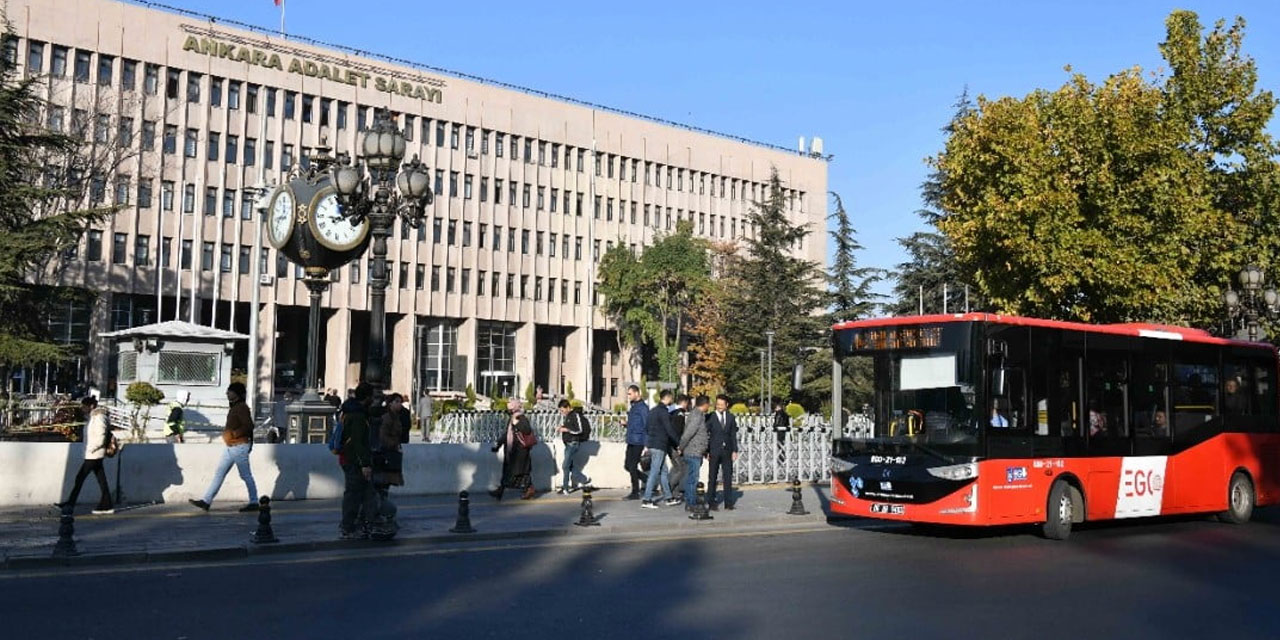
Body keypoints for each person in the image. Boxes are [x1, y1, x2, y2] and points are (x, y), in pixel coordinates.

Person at [189, 382, 259, 513]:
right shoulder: (235, 407)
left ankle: (254, 501)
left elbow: (249, 426)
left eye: (230, 391)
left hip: (239, 446)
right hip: (231, 446)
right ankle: (206, 501)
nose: (227, 393)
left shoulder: (241, 407)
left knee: (245, 475)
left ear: (237, 394)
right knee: (219, 474)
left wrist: (234, 434)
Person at [56, 396, 122, 515]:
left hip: (94, 454)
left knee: (80, 478)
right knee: (101, 480)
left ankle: (70, 505)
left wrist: (91, 449)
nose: (83, 408)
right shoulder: (92, 418)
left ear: (91, 406)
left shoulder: (99, 418)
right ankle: (107, 504)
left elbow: (101, 436)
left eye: (84, 406)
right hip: (93, 453)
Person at [338, 384, 377, 539]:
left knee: (367, 493)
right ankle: (348, 527)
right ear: (366, 397)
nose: (373, 400)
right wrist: (364, 464)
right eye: (372, 396)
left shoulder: (351, 412)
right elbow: (358, 442)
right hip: (353, 461)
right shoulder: (358, 415)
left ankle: (366, 523)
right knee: (354, 495)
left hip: (351, 459)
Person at [490, 399, 536, 500]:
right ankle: (501, 490)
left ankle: (529, 489)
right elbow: (507, 434)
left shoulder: (521, 417)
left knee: (521, 472)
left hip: (520, 451)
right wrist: (498, 445)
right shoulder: (512, 418)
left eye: (511, 409)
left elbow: (527, 430)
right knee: (509, 471)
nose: (509, 411)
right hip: (512, 451)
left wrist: (516, 423)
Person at [641, 390, 680, 509]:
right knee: (654, 472)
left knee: (663, 471)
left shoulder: (652, 411)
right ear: (668, 398)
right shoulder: (664, 412)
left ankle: (668, 497)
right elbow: (669, 430)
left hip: (653, 444)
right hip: (660, 445)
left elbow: (646, 427)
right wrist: (678, 443)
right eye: (671, 398)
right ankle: (647, 499)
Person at [706, 394, 740, 510]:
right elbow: (706, 434)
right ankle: (711, 501)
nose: (719, 406)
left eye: (722, 404)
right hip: (714, 451)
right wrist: (706, 451)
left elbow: (733, 435)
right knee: (712, 477)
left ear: (727, 405)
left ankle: (729, 502)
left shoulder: (730, 417)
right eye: (718, 404)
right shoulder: (710, 417)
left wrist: (735, 450)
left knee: (728, 477)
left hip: (727, 451)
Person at [680, 395, 710, 512]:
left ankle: (690, 500)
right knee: (693, 479)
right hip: (693, 452)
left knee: (692, 477)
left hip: (696, 452)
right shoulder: (697, 416)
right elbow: (688, 434)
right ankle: (691, 502)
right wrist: (681, 447)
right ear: (705, 404)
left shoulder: (697, 415)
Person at [556, 399, 591, 494]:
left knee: (565, 466)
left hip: (573, 444)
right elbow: (570, 427)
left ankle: (565, 488)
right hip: (568, 444)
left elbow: (579, 430)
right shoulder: (568, 416)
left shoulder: (575, 415)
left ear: (567, 407)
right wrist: (562, 427)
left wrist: (566, 429)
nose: (561, 412)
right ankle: (584, 479)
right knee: (569, 465)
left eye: (562, 410)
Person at [622, 384, 649, 500]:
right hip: (631, 440)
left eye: (630, 393)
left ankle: (635, 492)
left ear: (637, 393)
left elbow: (647, 425)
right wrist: (626, 424)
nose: (628, 396)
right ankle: (645, 478)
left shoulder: (643, 407)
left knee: (632, 466)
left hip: (639, 441)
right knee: (627, 466)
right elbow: (634, 424)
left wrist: (647, 444)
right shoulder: (633, 407)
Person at [667, 395, 690, 503]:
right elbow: (678, 432)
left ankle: (674, 493)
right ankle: (668, 489)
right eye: (687, 403)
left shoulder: (671, 412)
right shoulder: (680, 414)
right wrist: (679, 446)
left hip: (669, 445)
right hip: (675, 446)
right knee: (681, 469)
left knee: (677, 469)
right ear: (684, 403)